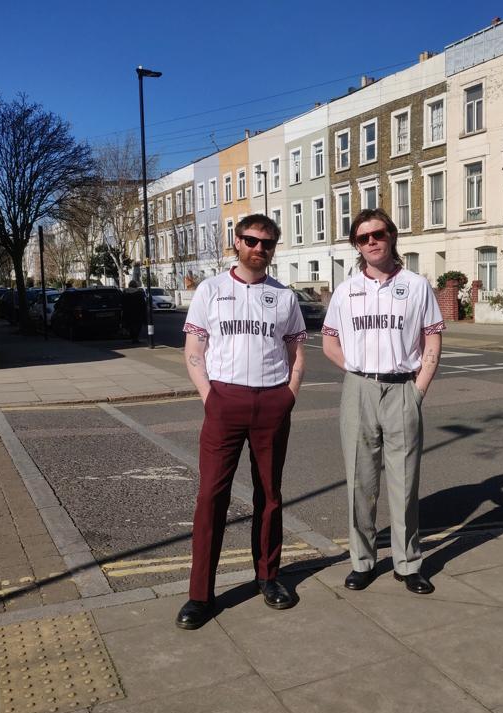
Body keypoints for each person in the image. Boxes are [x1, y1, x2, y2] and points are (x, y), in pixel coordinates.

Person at [176, 213, 307, 630]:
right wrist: (209, 396)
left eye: (267, 243)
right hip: (224, 399)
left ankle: (269, 577)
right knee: (211, 496)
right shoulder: (211, 290)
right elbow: (194, 348)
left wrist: (288, 395)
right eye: (251, 240)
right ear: (237, 242)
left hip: (271, 400)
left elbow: (296, 352)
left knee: (269, 495)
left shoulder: (283, 296)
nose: (259, 248)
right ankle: (200, 595)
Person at [322, 208, 443, 594]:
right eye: (362, 238)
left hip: (403, 388)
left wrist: (418, 389)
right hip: (359, 390)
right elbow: (329, 342)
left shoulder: (416, 285)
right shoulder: (345, 290)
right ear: (356, 246)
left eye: (377, 234)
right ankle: (363, 561)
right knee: (361, 481)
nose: (371, 242)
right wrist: (357, 370)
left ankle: (408, 564)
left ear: (391, 236)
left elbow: (432, 339)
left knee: (404, 483)